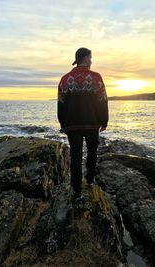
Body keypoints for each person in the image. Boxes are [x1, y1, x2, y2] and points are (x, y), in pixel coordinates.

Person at [57, 47, 108, 199]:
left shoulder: (65, 79)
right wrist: (104, 121)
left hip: (72, 125)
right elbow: (103, 102)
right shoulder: (96, 78)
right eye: (90, 58)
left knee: (76, 156)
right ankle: (90, 180)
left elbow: (61, 103)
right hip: (92, 124)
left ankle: (76, 190)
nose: (91, 61)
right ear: (85, 58)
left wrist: (62, 124)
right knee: (92, 151)